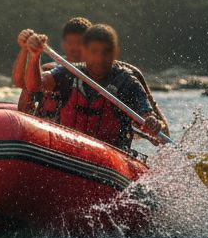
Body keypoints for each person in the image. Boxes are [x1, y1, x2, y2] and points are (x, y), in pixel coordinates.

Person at [23, 24, 162, 151]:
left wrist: (152, 123)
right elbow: (35, 85)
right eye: (94, 52)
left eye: (106, 52)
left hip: (112, 157)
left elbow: (147, 114)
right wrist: (35, 57)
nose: (100, 59)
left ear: (115, 53)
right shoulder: (69, 73)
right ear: (84, 52)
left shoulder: (127, 82)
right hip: (66, 149)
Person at [12, 17, 91, 118]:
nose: (74, 48)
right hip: (45, 129)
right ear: (63, 44)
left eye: (79, 43)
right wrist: (25, 49)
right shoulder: (49, 69)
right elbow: (20, 83)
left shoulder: (99, 74)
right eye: (70, 42)